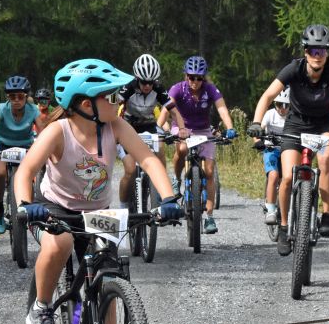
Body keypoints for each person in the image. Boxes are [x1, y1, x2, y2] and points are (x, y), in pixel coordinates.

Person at [13, 58, 182, 324]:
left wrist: (168, 198)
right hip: (54, 207)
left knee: (107, 278)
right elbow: (27, 169)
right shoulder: (58, 132)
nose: (119, 100)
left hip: (97, 214)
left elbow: (148, 160)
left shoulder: (114, 126)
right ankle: (41, 310)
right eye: (111, 95)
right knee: (57, 244)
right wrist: (26, 204)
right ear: (86, 104)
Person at [247, 24, 329, 256]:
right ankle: (283, 226)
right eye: (312, 50)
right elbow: (268, 95)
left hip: (325, 124)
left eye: (322, 51)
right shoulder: (294, 69)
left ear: (327, 53)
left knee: (324, 160)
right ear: (305, 51)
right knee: (289, 175)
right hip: (296, 124)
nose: (317, 56)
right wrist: (256, 122)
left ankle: (327, 214)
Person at [159, 55, 236, 234]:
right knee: (183, 148)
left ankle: (209, 217)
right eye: (191, 77)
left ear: (204, 78)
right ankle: (176, 180)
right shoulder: (177, 89)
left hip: (203, 131)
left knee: (209, 171)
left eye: (199, 78)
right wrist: (160, 129)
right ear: (186, 76)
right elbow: (165, 110)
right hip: (182, 129)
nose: (195, 81)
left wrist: (230, 127)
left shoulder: (210, 89)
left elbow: (222, 108)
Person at [0, 75, 44, 233]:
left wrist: (47, 148)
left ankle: (28, 208)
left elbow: (44, 133)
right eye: (12, 96)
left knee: (28, 175)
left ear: (26, 96)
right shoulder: (2, 109)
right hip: (3, 144)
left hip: (25, 145)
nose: (16, 100)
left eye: (20, 96)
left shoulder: (34, 111)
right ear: (8, 97)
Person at [116, 53, 178, 211]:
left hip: (148, 124)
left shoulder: (158, 88)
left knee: (161, 147)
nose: (147, 86)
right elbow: (115, 108)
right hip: (128, 126)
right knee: (130, 170)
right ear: (137, 79)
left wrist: (180, 128)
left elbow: (173, 110)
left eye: (151, 82)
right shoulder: (128, 87)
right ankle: (123, 207)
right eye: (144, 82)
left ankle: (161, 190)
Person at [254, 88, 291, 225]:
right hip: (271, 149)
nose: (282, 109)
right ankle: (270, 210)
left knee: (288, 178)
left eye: (286, 105)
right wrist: (258, 141)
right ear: (275, 104)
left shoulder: (293, 117)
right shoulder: (270, 114)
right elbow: (259, 129)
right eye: (279, 105)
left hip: (288, 150)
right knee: (274, 176)